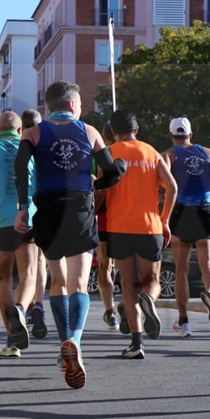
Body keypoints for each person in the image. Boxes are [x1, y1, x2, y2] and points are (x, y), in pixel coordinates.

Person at [14, 81, 124, 389]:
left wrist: (23, 207)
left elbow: (20, 166)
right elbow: (111, 173)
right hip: (79, 208)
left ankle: (64, 344)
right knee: (78, 282)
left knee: (57, 281)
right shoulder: (90, 132)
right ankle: (75, 339)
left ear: (49, 106)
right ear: (74, 105)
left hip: (47, 210)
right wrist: (105, 177)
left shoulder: (33, 132)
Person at [102, 110, 177, 358]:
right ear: (138, 129)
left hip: (118, 226)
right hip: (149, 226)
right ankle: (150, 301)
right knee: (151, 281)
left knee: (128, 284)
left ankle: (136, 343)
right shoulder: (152, 152)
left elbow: (101, 191)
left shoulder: (110, 154)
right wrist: (164, 219)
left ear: (113, 131)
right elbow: (173, 188)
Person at [162, 117, 210, 336]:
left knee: (181, 268)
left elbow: (161, 183)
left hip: (182, 211)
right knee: (208, 263)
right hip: (205, 208)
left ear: (172, 135)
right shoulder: (208, 153)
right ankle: (209, 293)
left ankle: (183, 321)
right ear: (191, 134)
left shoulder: (169, 155)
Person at [0, 111, 39, 357]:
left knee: (4, 279)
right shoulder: (31, 151)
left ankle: (12, 341)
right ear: (19, 131)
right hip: (27, 218)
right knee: (29, 275)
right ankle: (21, 310)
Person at [19, 108, 49, 339]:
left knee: (24, 270)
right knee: (40, 262)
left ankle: (25, 306)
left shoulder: (22, 144)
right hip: (42, 207)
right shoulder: (43, 144)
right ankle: (38, 304)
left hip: (19, 210)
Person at [95, 123, 120, 331]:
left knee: (105, 265)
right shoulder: (143, 151)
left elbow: (102, 188)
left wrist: (93, 210)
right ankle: (131, 306)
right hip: (134, 217)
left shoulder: (104, 156)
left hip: (107, 217)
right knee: (131, 265)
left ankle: (110, 311)